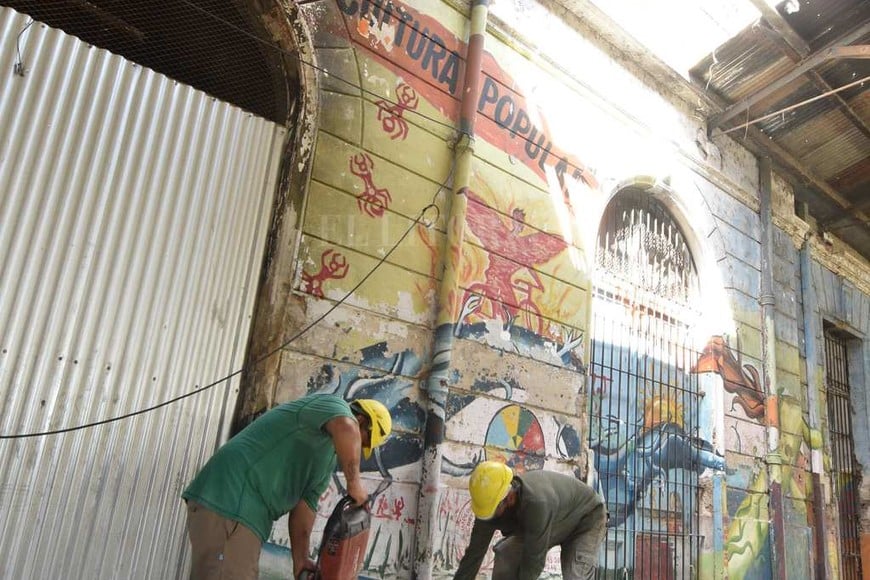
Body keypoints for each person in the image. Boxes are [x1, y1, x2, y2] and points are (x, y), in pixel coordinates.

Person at [182, 394, 391, 580]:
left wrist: (300, 560)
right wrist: (354, 484)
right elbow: (346, 427)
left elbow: (304, 507)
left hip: (246, 514)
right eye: (364, 441)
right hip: (232, 498)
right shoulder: (332, 405)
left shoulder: (325, 463)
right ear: (361, 420)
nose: (359, 447)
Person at [454, 461, 607, 580]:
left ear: (510, 498)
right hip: (554, 520)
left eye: (493, 511)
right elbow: (474, 555)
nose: (489, 517)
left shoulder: (536, 503)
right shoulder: (487, 504)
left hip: (586, 519)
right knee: (506, 553)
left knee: (576, 575)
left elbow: (533, 561)